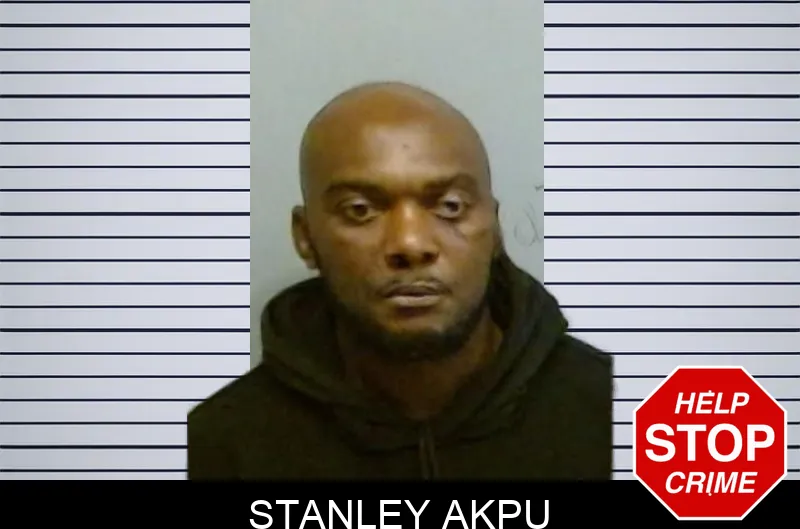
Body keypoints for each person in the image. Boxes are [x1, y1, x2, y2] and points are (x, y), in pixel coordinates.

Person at [187, 81, 613, 480]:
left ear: (495, 229)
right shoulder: (218, 447)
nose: (410, 244)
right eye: (359, 210)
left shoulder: (618, 416)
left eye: (450, 206)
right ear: (305, 237)